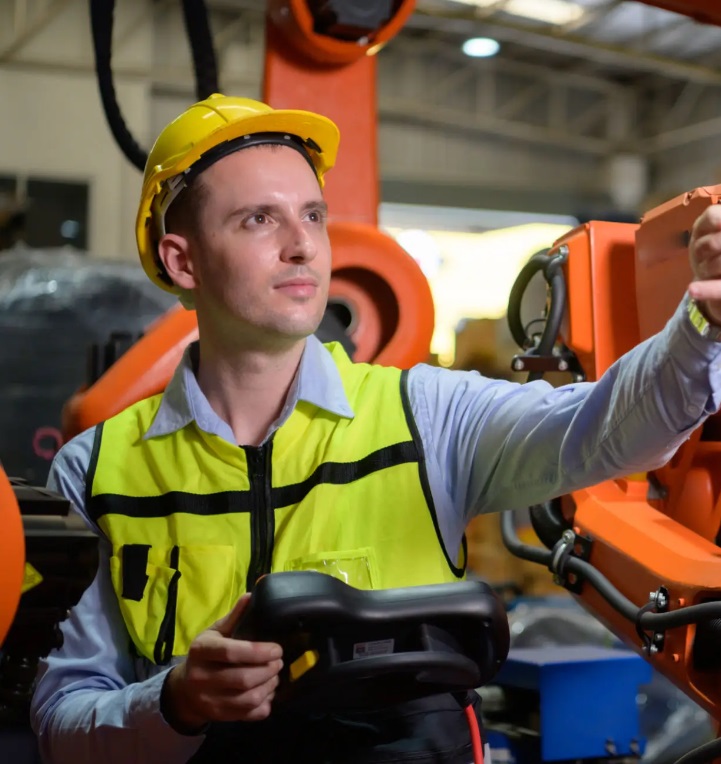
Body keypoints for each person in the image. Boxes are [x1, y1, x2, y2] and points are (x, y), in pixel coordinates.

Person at [30, 93, 721, 764]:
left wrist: (702, 324)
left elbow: (604, 430)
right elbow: (62, 721)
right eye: (257, 221)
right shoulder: (95, 472)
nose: (302, 246)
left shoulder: (425, 416)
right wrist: (174, 701)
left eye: (312, 215)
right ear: (183, 260)